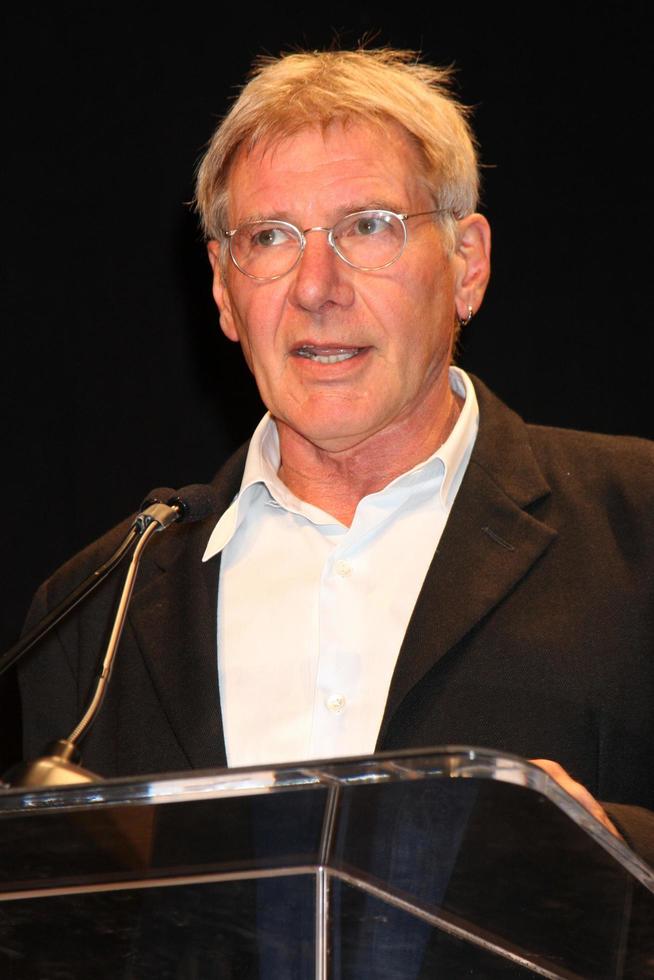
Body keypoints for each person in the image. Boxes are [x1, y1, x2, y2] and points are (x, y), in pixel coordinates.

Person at [18, 49, 654, 858]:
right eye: (272, 237)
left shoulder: (638, 526)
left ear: (468, 264)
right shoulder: (95, 615)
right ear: (222, 287)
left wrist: (607, 856)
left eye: (368, 227)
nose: (317, 285)